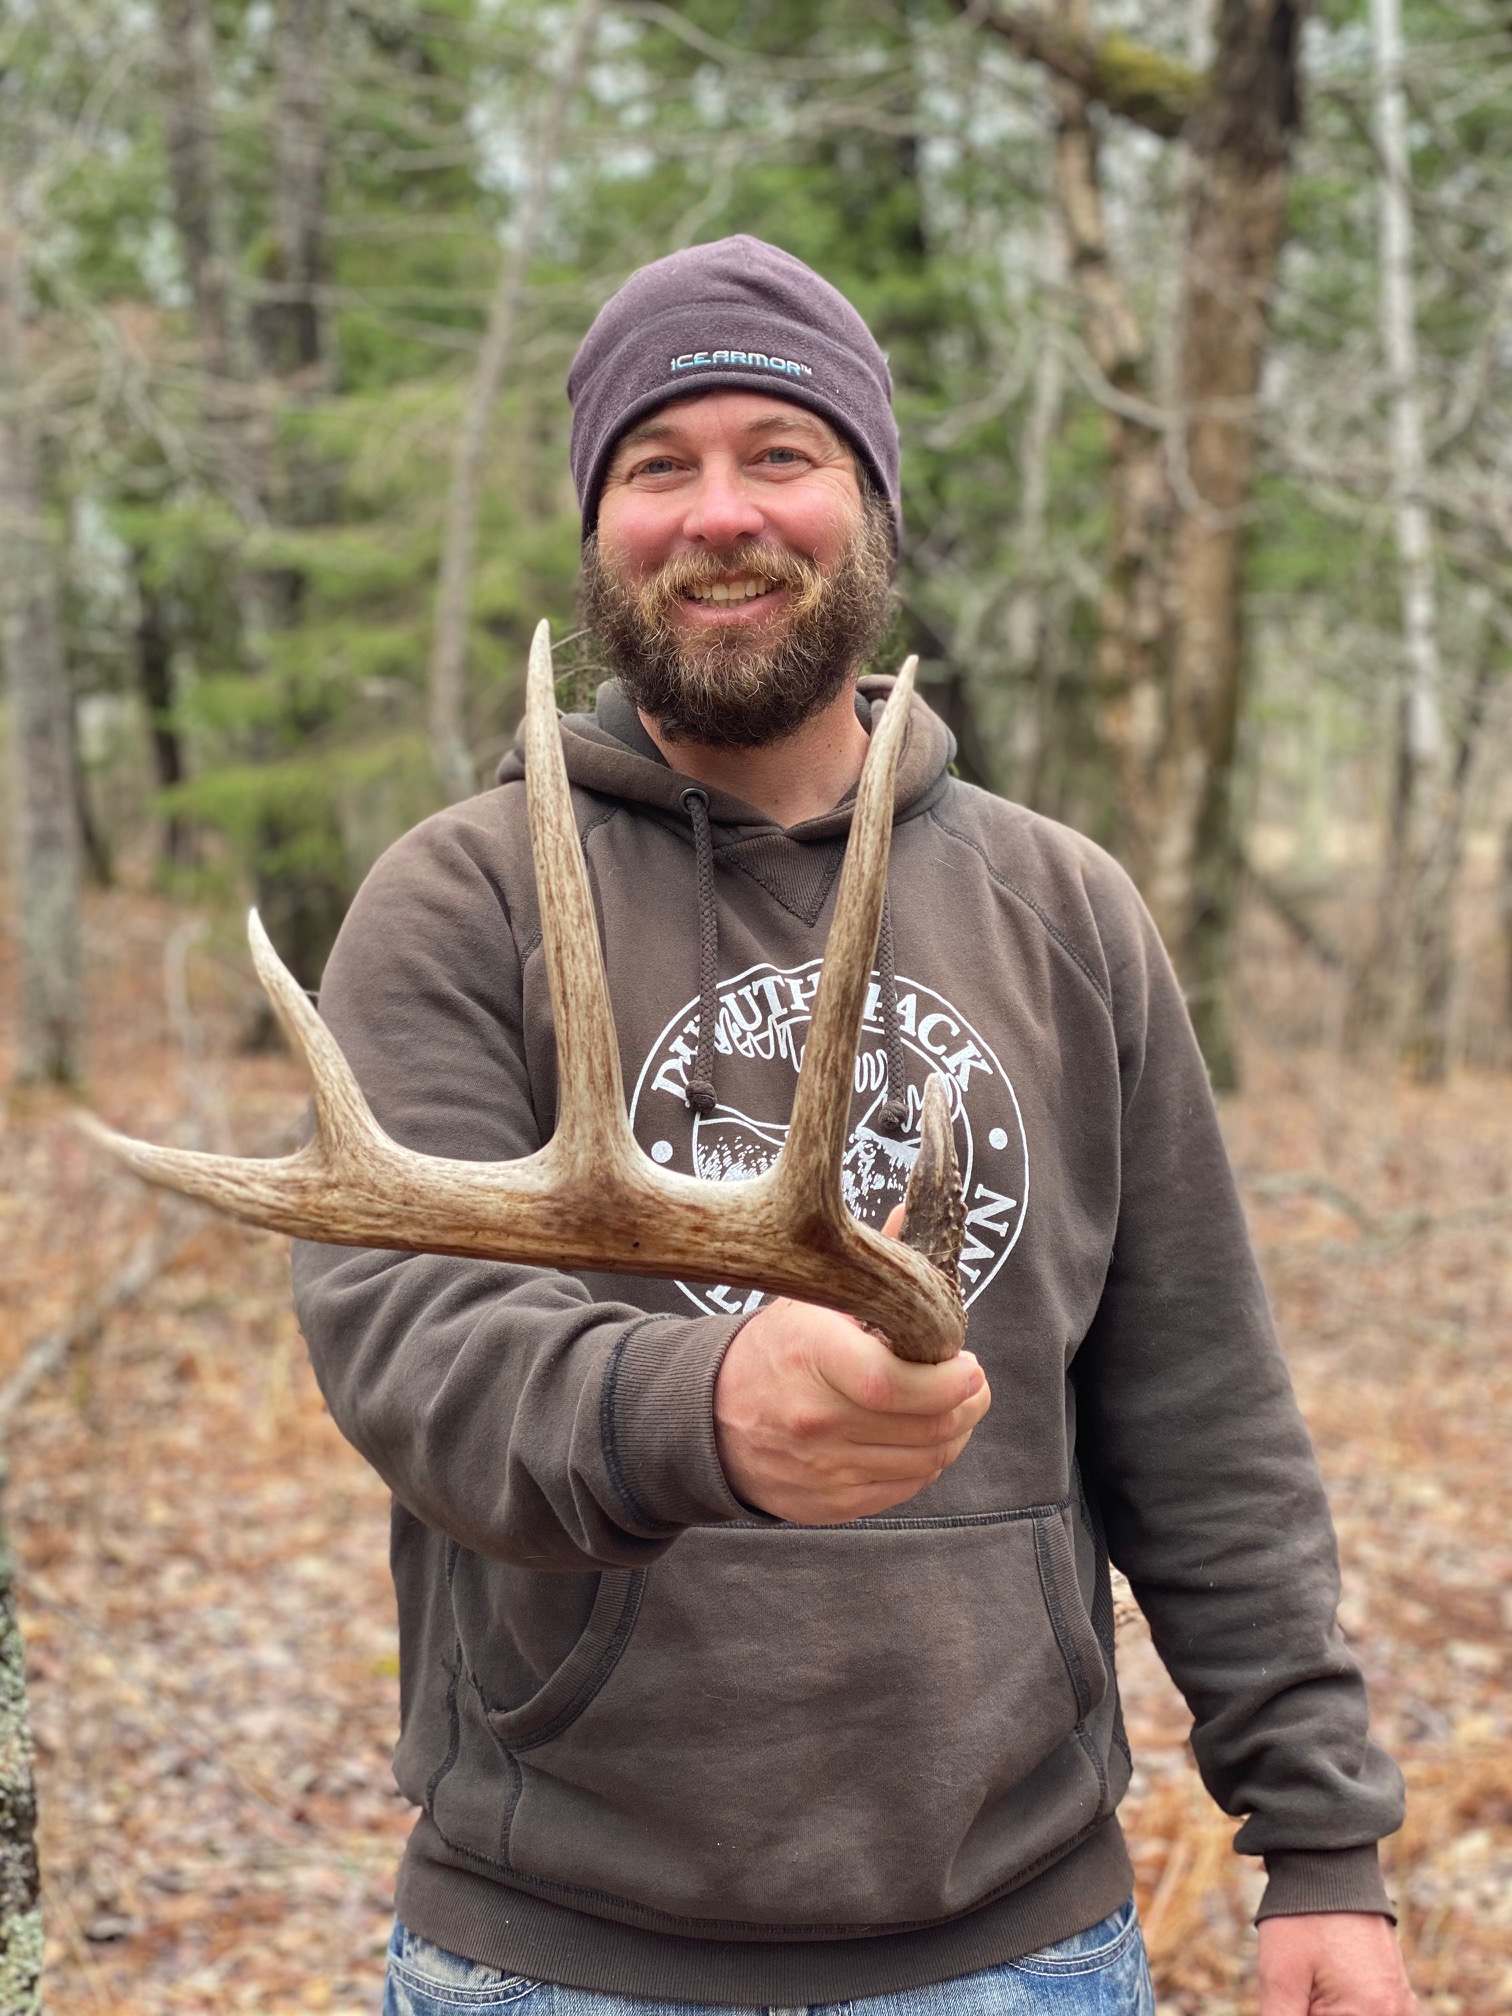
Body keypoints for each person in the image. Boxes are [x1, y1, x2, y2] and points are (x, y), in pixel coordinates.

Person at [291, 237, 1415, 2016]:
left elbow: (1202, 1415)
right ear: (600, 529)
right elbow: (408, 1344)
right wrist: (698, 1408)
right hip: (564, 1953)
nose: (719, 513)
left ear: (869, 505)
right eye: (658, 468)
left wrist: (1321, 1844)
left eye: (780, 454)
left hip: (1019, 1946)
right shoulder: (465, 897)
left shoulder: (1065, 907)